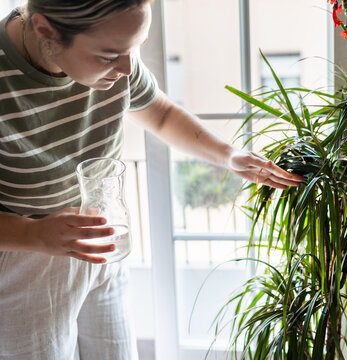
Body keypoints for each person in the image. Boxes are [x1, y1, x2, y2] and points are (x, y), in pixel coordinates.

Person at [0, 0, 303, 359]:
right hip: (27, 256)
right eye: (110, 55)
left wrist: (228, 155)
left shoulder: (115, 56)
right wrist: (35, 234)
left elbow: (159, 114)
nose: (128, 69)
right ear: (45, 31)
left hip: (102, 242)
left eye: (136, 48)